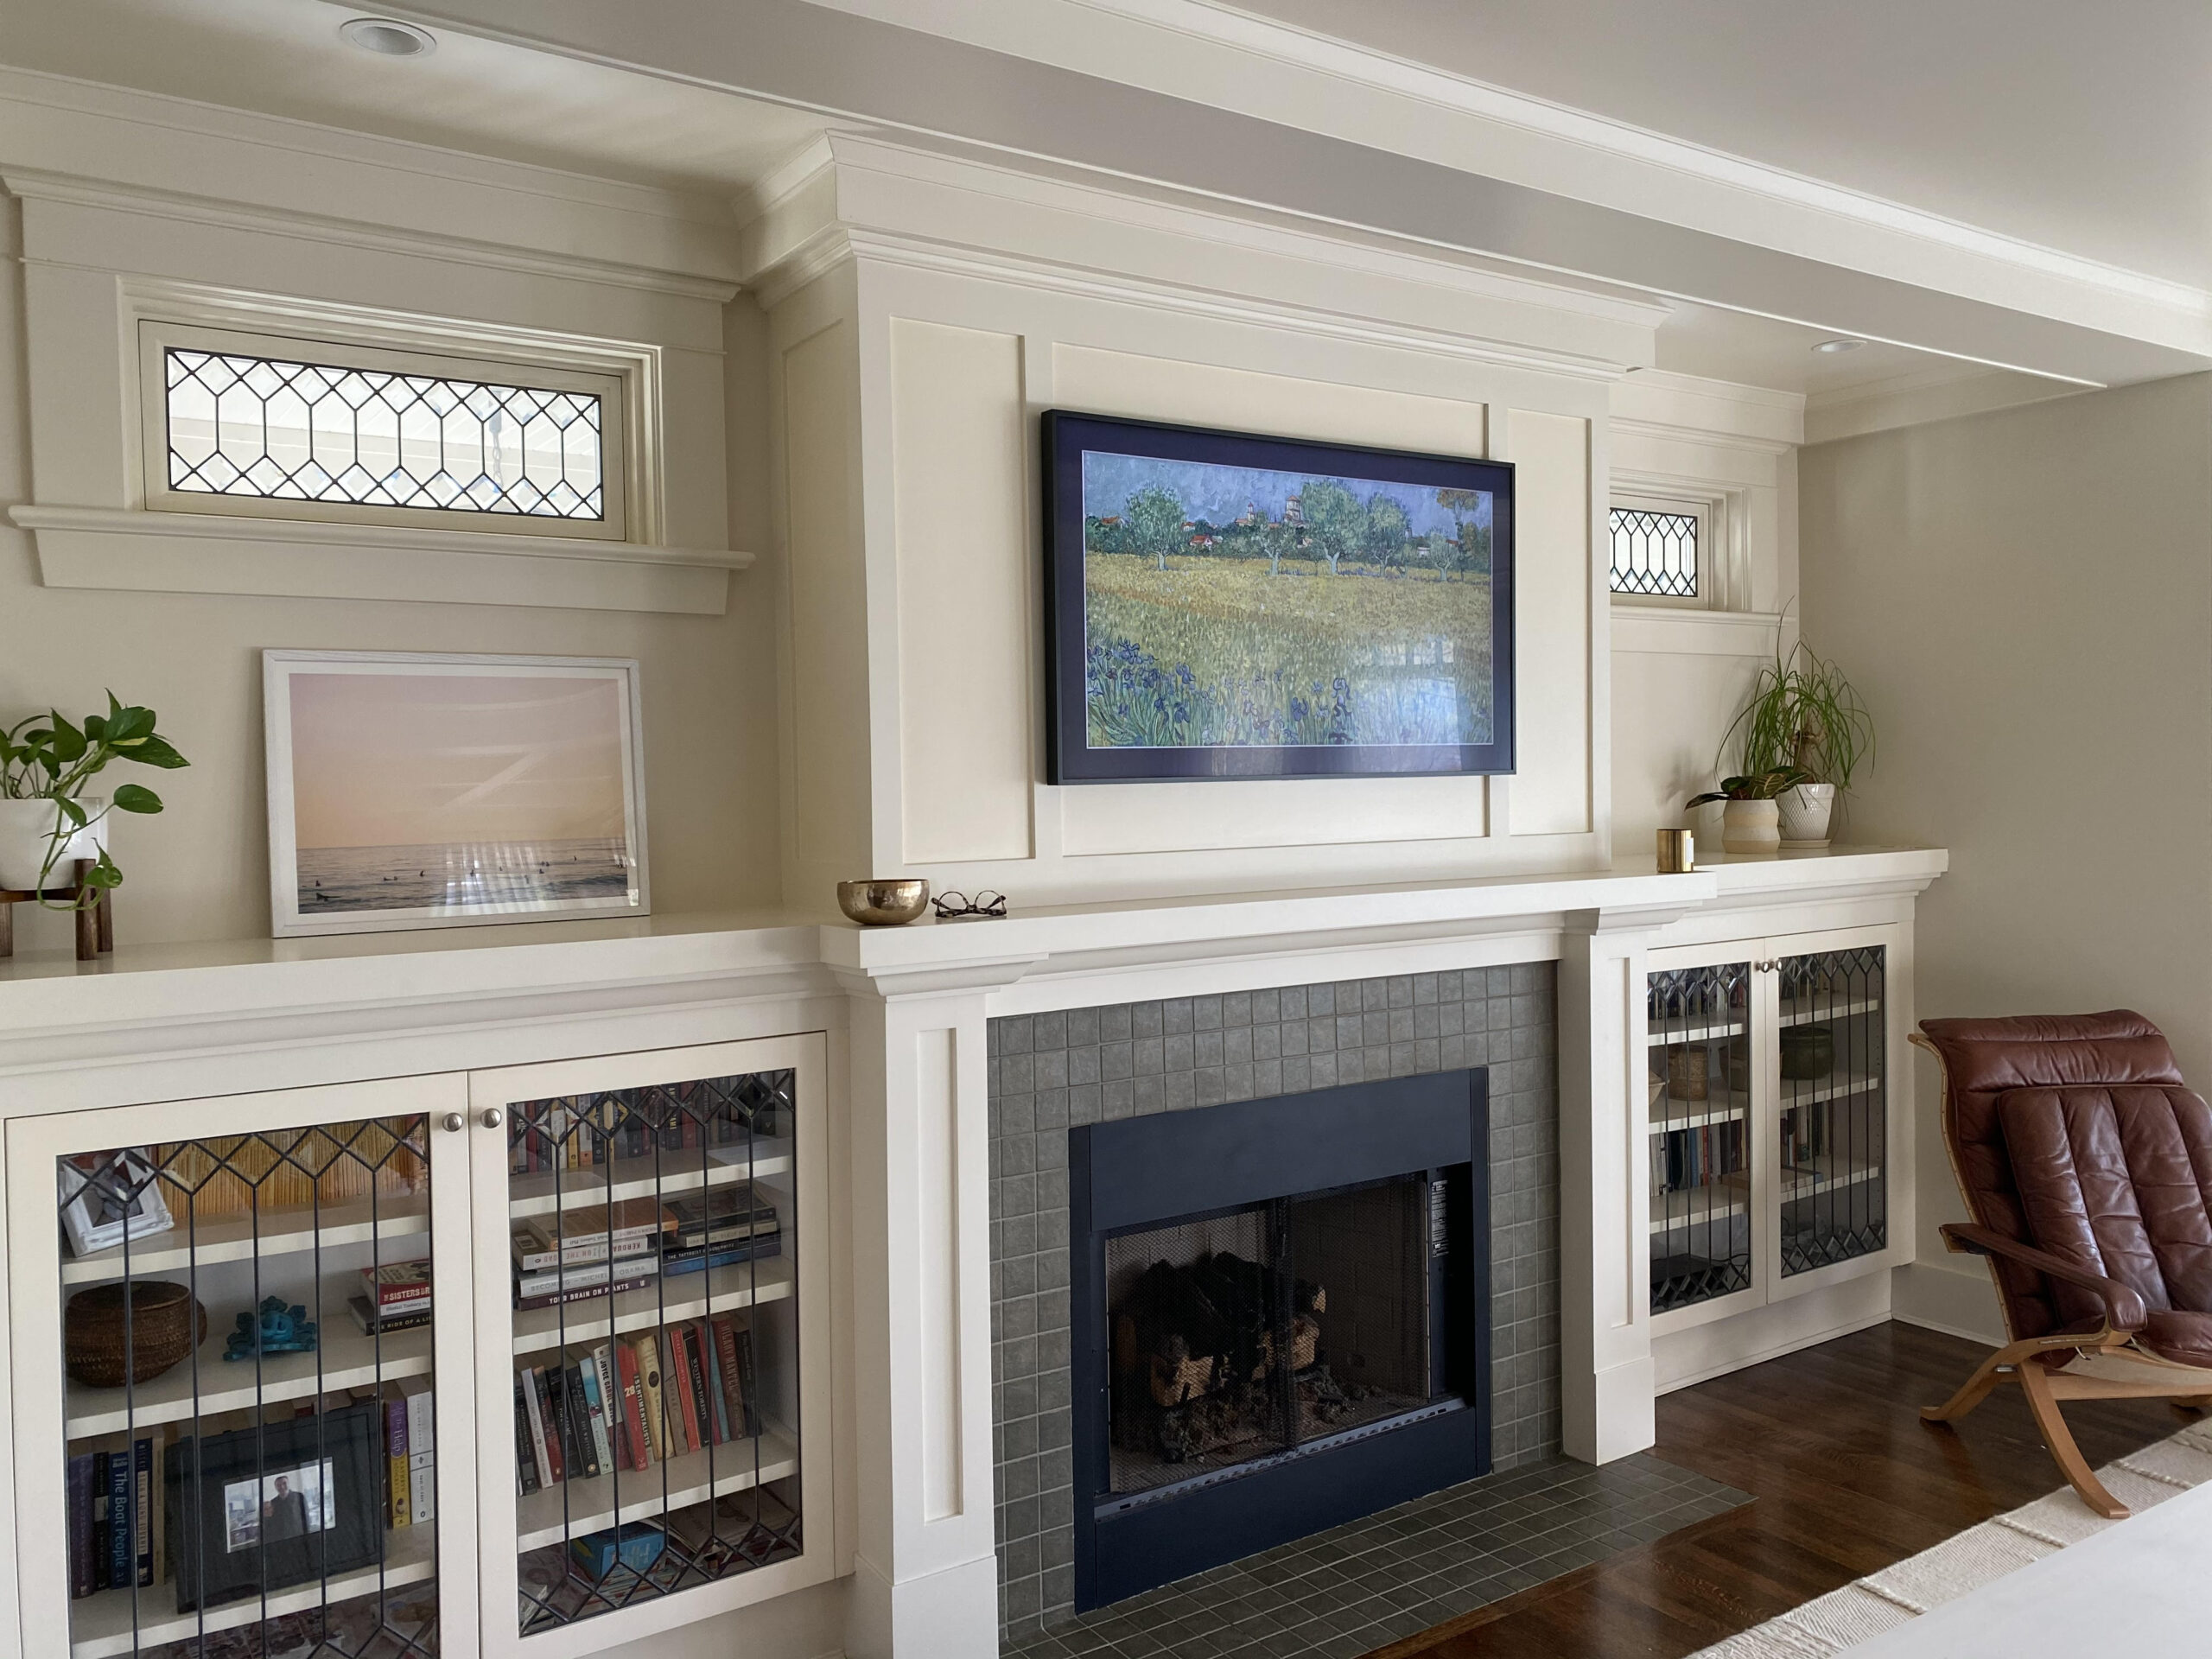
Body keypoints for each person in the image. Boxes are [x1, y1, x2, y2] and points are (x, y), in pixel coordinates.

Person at [264, 1472, 310, 1542]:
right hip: (282, 1539)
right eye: (278, 1485)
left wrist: (307, 1535)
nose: (282, 1487)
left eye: (284, 1483)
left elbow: (306, 1517)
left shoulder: (299, 1496)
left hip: (299, 1536)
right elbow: (271, 1523)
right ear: (275, 1487)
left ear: (288, 1484)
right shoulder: (273, 1502)